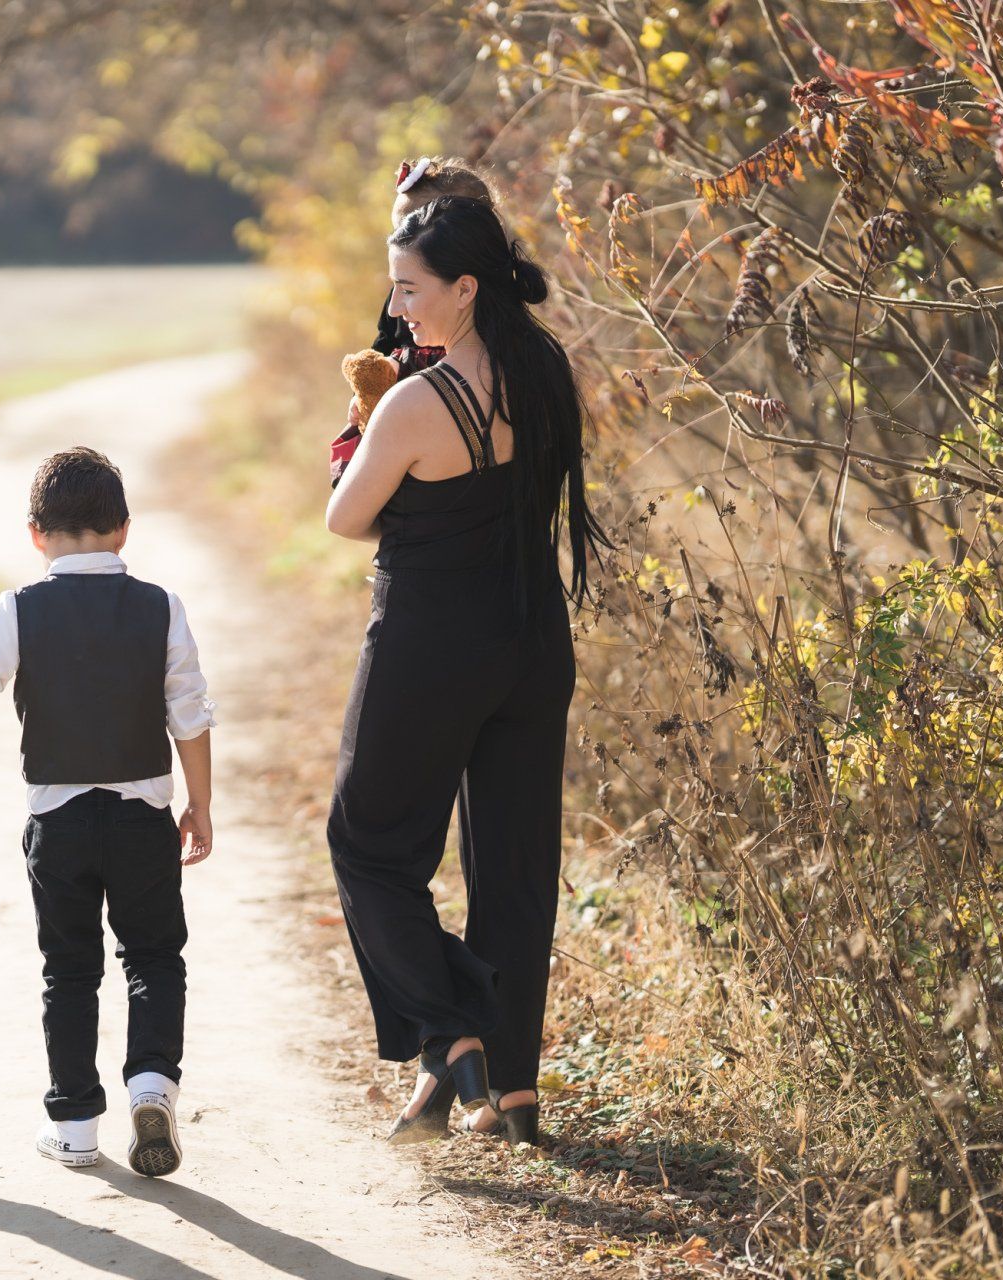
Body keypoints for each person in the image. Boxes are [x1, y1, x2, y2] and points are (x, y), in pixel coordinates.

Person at [324, 196, 607, 1148]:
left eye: (410, 289)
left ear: (466, 288)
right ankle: (512, 1093)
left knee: (369, 844)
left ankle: (452, 1035)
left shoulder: (416, 402)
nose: (397, 308)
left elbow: (346, 517)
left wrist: (362, 427)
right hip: (532, 642)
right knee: (515, 867)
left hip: (430, 646)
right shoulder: (548, 375)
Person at [0, 447, 216, 1177]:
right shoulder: (161, 607)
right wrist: (199, 804)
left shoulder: (20, 608)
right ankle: (151, 1084)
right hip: (143, 819)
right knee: (153, 956)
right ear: (124, 529)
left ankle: (76, 1126)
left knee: (70, 970)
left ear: (34, 535)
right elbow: (190, 712)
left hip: (60, 825)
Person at [333, 157, 502, 483]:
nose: (405, 238)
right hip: (402, 405)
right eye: (400, 230)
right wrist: (370, 391)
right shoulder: (401, 300)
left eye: (414, 227)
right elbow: (384, 348)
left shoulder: (491, 305)